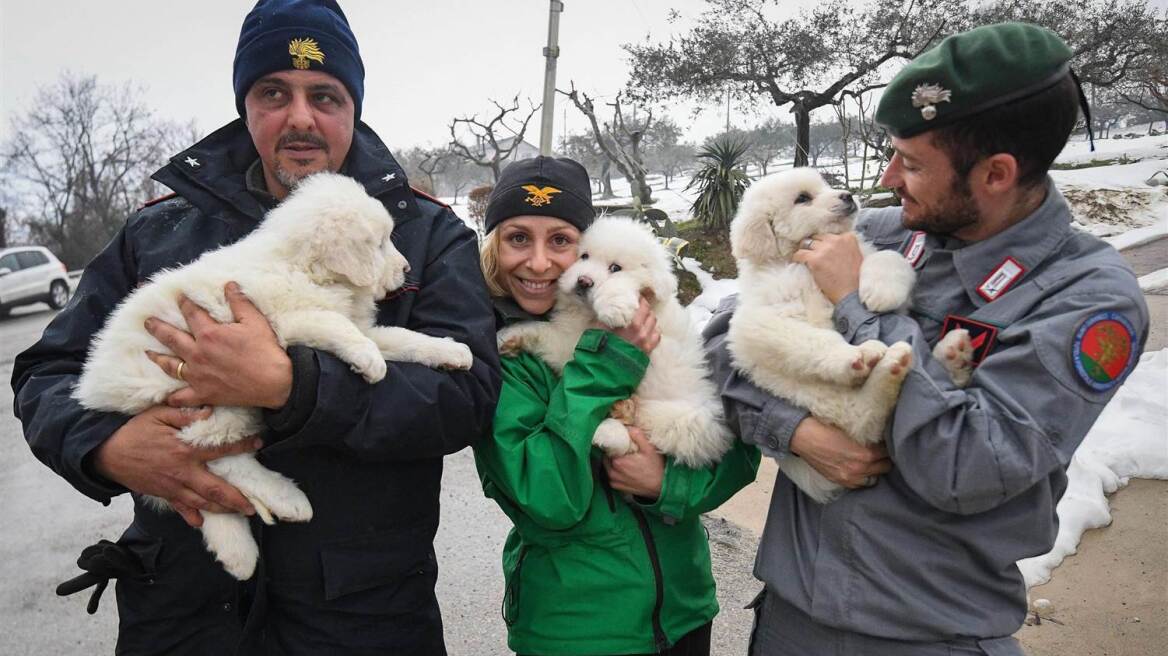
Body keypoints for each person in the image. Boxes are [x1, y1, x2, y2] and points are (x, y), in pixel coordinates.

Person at [11, 1, 500, 654]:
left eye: (324, 94)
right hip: (183, 616)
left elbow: (468, 398)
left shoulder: (427, 234)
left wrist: (296, 385)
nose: (300, 117)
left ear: (353, 103)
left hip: (363, 617)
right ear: (246, 104)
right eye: (275, 91)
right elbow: (47, 371)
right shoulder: (156, 233)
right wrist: (105, 447)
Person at [703, 23, 1149, 656]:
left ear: (996, 174)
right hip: (790, 619)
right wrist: (794, 432)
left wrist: (859, 307)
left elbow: (966, 467)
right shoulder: (886, 231)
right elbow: (723, 344)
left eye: (911, 163)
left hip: (927, 634)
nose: (888, 178)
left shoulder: (1085, 298)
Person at [473, 156, 760, 656]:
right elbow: (550, 500)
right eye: (518, 237)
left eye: (562, 241)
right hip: (578, 630)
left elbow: (737, 450)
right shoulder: (498, 357)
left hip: (684, 611)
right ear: (493, 246)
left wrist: (664, 485)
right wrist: (606, 364)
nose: (540, 263)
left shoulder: (649, 322)